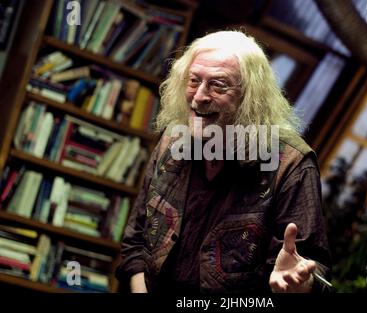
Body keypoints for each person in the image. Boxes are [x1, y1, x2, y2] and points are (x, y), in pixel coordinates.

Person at [115, 30, 331, 294]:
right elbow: (135, 243)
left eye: (218, 85)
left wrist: (301, 284)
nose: (199, 97)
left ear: (250, 98)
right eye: (194, 81)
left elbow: (313, 272)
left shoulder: (290, 164)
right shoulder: (173, 141)